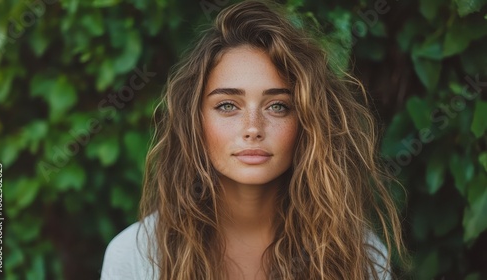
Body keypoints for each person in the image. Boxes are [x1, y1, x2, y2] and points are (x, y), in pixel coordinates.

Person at [101, 1, 408, 279]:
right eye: (227, 106)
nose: (253, 128)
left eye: (278, 106)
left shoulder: (358, 253)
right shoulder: (135, 255)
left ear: (308, 122)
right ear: (195, 121)